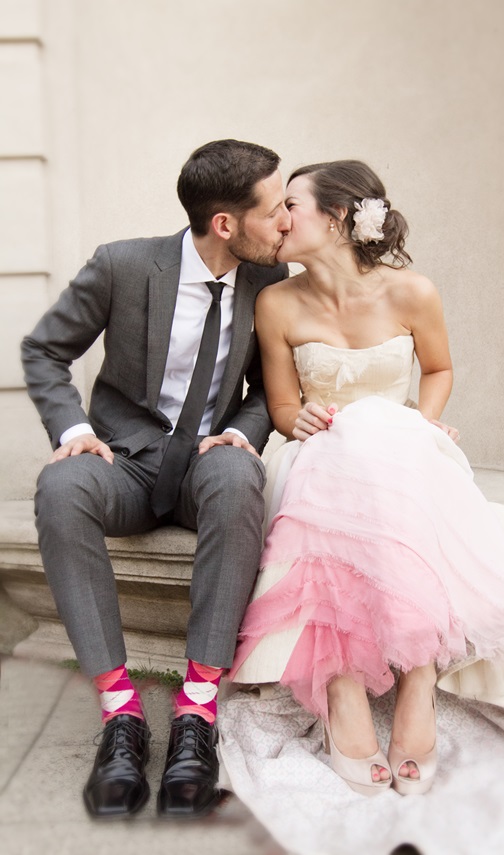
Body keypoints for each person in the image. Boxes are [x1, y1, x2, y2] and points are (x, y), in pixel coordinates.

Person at [228, 159, 504, 800]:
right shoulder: (275, 302)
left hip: (403, 446)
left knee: (387, 445)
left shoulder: (413, 291)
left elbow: (437, 370)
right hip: (318, 454)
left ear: (336, 218)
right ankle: (342, 688)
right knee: (347, 456)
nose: (279, 220)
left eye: (291, 206)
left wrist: (426, 423)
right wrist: (297, 415)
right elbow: (278, 406)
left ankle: (418, 681)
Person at [21, 139, 290, 819]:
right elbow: (45, 348)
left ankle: (197, 710)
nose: (286, 219)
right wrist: (74, 431)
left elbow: (271, 386)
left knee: (237, 471)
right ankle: (122, 713)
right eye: (274, 207)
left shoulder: (272, 283)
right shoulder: (123, 265)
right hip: (128, 466)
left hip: (207, 465)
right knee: (60, 485)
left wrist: (248, 427)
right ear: (225, 223)